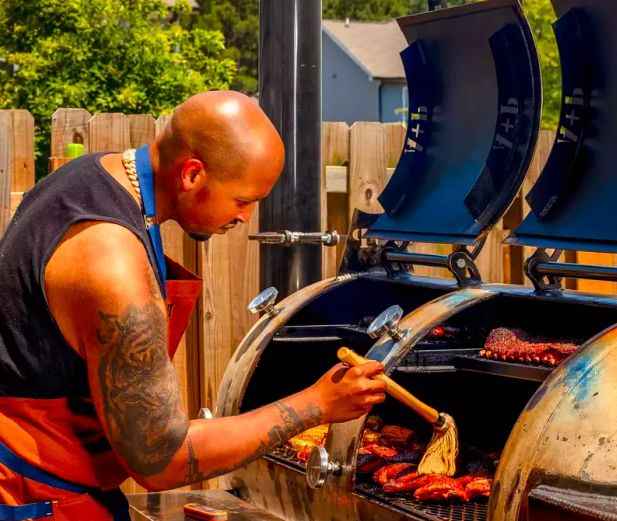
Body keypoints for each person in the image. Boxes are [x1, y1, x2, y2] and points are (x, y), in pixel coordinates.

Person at [0, 91, 386, 520]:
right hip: (36, 496)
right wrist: (317, 404)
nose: (246, 218)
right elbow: (160, 461)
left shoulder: (93, 176)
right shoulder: (112, 265)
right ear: (192, 174)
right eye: (243, 200)